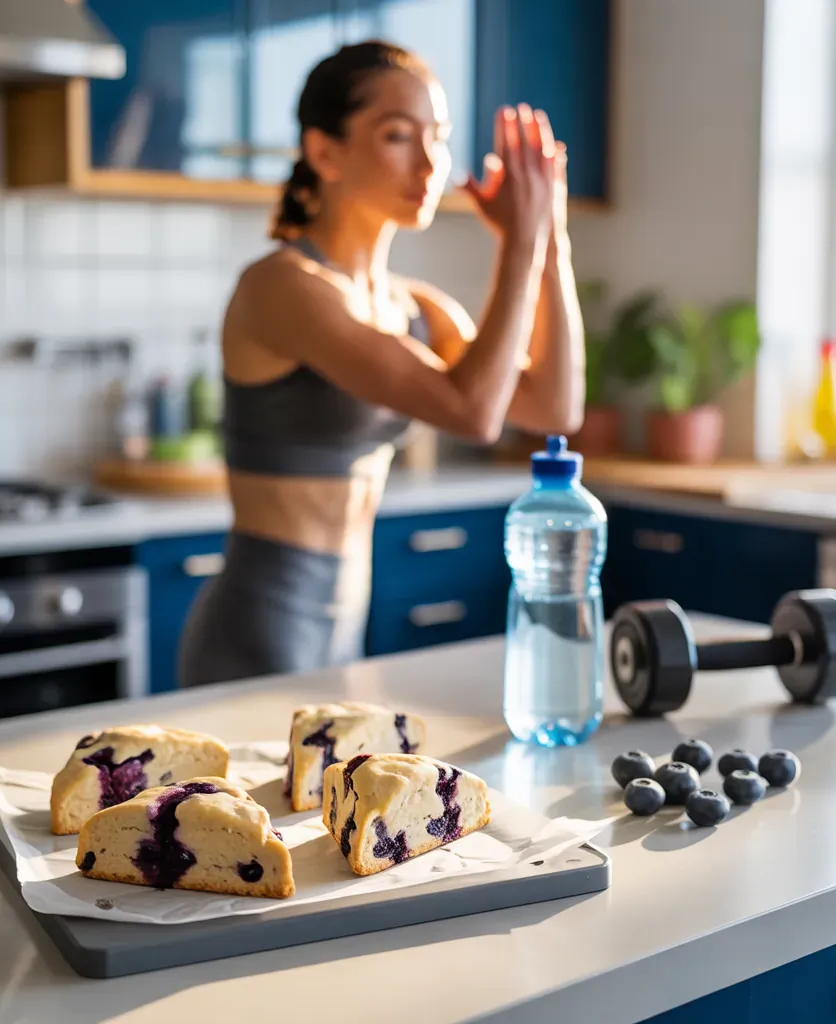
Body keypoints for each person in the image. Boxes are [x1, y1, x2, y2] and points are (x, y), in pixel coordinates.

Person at [178, 40, 585, 688]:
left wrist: (549, 237)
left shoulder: (414, 306)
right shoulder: (282, 286)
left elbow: (553, 406)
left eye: (440, 137)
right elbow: (474, 414)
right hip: (257, 630)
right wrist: (521, 243)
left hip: (347, 623)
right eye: (398, 135)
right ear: (323, 152)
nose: (429, 162)